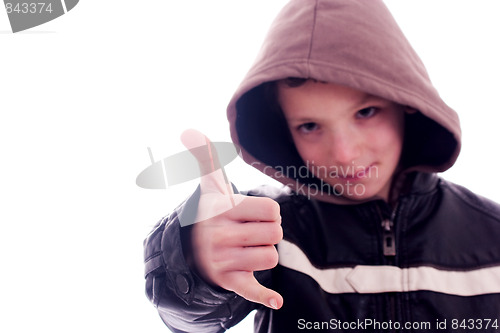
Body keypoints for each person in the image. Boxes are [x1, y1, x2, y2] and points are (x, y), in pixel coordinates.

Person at [143, 0, 500, 332]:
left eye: (365, 112)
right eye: (310, 126)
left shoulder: (492, 237)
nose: (344, 154)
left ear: (407, 103)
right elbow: (193, 319)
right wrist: (193, 260)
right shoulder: (268, 229)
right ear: (283, 131)